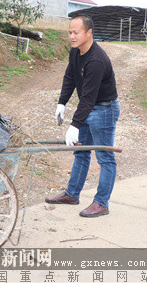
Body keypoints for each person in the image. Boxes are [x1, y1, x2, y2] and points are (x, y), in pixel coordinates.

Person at [45, 14, 120, 218]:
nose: (71, 36)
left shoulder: (96, 60)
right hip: (89, 108)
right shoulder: (75, 53)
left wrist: (75, 125)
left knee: (105, 157)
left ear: (89, 33)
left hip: (104, 110)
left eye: (75, 32)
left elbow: (88, 97)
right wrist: (62, 102)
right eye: (69, 32)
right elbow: (70, 77)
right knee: (81, 152)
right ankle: (72, 194)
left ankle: (101, 203)